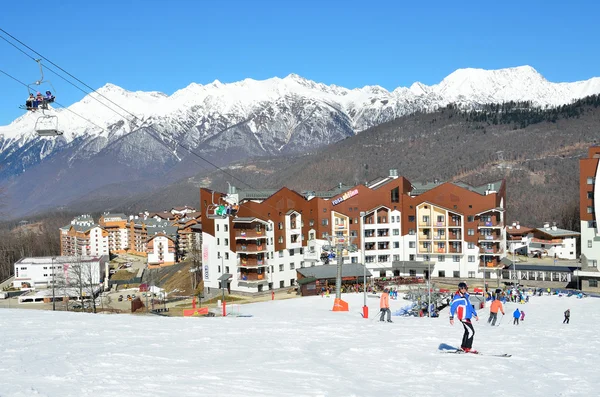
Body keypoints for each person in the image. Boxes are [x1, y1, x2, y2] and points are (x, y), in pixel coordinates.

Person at [449, 282, 479, 353]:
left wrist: (475, 314)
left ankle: (464, 346)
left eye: (465, 288)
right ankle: (468, 347)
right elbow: (452, 308)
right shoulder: (457, 298)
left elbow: (470, 307)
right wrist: (451, 318)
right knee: (471, 332)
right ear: (459, 289)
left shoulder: (465, 297)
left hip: (467, 317)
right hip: (463, 318)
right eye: (462, 288)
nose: (463, 290)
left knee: (467, 332)